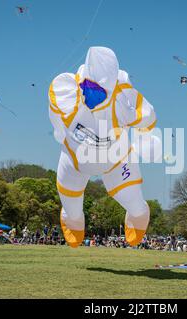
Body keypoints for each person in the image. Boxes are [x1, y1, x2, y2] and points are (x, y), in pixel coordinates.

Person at [49, 47, 157, 248]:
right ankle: (73, 218)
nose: (96, 97)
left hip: (117, 160)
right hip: (74, 160)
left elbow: (149, 117)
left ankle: (138, 214)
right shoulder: (65, 89)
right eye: (92, 88)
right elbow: (55, 118)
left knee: (137, 209)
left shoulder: (125, 98)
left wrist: (141, 129)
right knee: (72, 211)